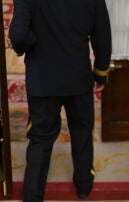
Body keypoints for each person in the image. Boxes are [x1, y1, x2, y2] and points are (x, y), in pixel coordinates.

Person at [8, 0, 111, 201]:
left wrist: (32, 42)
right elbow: (102, 35)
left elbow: (18, 35)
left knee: (40, 138)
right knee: (82, 131)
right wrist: (101, 73)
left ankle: (32, 196)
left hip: (42, 79)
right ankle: (83, 186)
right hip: (77, 77)